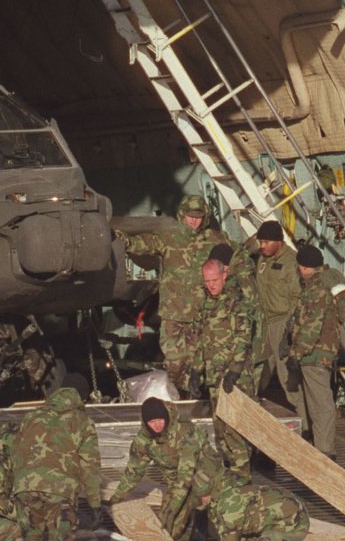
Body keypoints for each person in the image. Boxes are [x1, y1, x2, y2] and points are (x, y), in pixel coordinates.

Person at [9, 375, 104, 541]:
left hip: (25, 489)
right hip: (60, 493)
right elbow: (90, 466)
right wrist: (95, 504)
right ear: (81, 398)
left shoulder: (32, 416)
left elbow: (14, 451)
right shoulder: (82, 422)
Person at [116, 194, 226, 396]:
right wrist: (124, 241)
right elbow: (144, 244)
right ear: (182, 214)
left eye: (198, 216)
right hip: (173, 316)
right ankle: (183, 394)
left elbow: (236, 259)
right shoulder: (168, 237)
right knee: (175, 365)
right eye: (190, 215)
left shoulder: (214, 240)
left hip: (202, 315)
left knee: (202, 363)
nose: (194, 220)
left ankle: (199, 400)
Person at [110, 396, 234, 541]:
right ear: (145, 422)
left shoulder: (185, 433)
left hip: (203, 472)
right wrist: (114, 501)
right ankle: (187, 510)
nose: (157, 425)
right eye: (152, 421)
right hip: (176, 480)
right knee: (169, 532)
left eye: (160, 420)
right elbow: (133, 473)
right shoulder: (143, 440)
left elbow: (185, 477)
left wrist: (171, 511)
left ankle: (201, 519)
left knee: (199, 489)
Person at [190, 246, 257, 474]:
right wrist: (196, 371)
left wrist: (235, 371)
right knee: (220, 429)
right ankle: (231, 470)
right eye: (207, 281)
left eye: (214, 280)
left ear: (224, 275)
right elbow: (202, 341)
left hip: (234, 378)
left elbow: (242, 339)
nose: (211, 285)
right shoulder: (207, 304)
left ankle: (242, 474)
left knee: (234, 429)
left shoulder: (236, 302)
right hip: (214, 377)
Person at [283, 244, 345, 455]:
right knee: (315, 400)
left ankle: (325, 451)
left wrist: (296, 353)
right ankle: (313, 440)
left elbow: (312, 325)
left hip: (314, 353)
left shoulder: (315, 288)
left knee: (321, 405)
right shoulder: (331, 280)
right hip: (326, 349)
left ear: (303, 267)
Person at [240, 220, 300, 400]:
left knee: (286, 375)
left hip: (281, 323)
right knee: (258, 369)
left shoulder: (291, 263)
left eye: (266, 242)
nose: (262, 246)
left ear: (279, 241)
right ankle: (251, 404)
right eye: (260, 242)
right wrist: (253, 242)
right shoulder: (262, 258)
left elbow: (296, 298)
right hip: (263, 322)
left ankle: (303, 418)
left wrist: (290, 331)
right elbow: (240, 255)